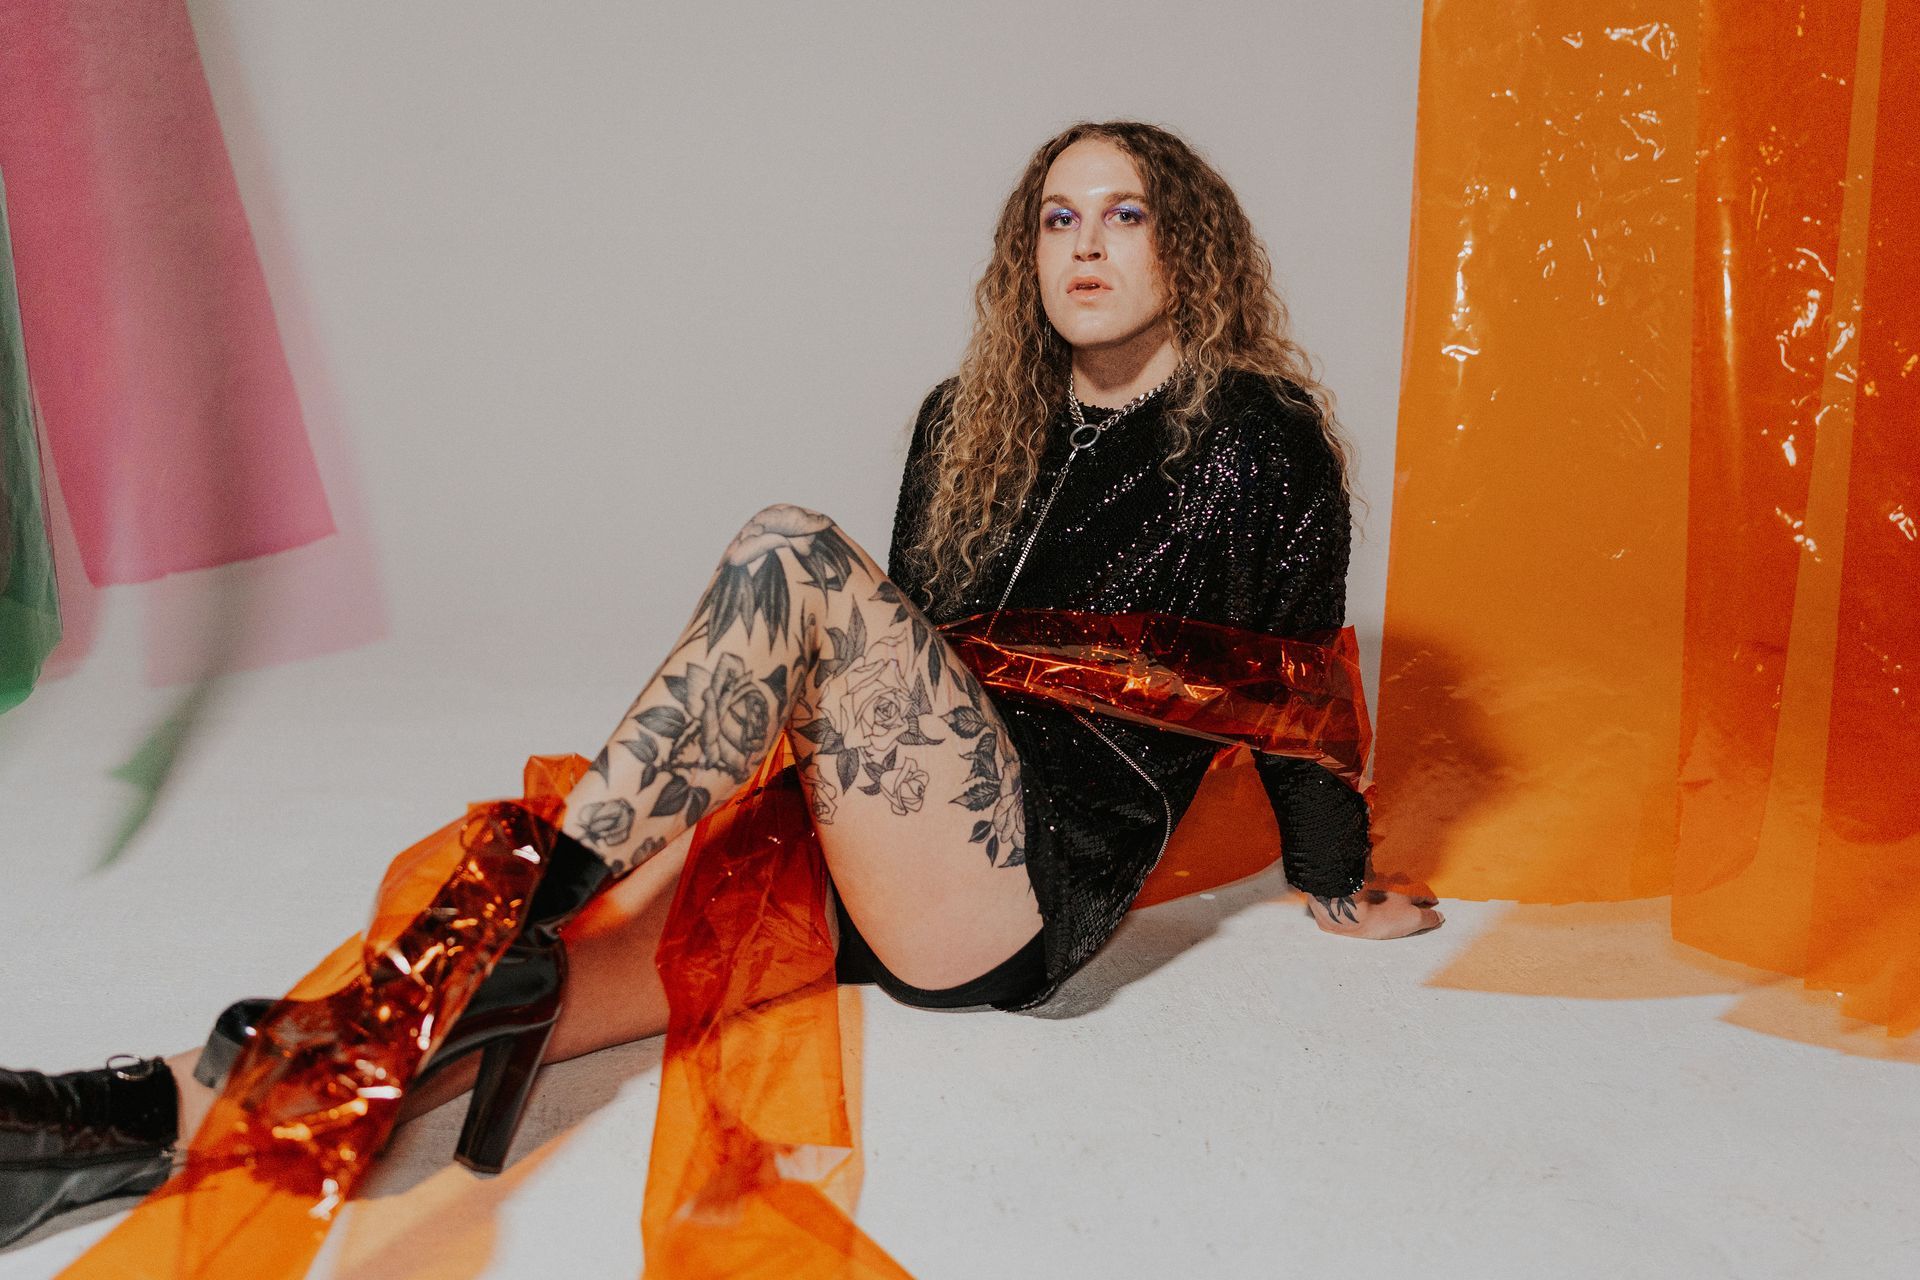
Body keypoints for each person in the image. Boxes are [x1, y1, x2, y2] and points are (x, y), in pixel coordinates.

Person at [0, 118, 1443, 1248]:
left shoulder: (1260, 439)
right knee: (484, 1006)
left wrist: (1333, 872)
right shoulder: (969, 416)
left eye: (1125, 214)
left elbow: (1296, 686)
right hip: (876, 850)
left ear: (1189, 243)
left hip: (1018, 891)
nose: (1086, 244)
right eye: (1057, 217)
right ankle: (107, 1121)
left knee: (792, 556)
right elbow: (900, 674)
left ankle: (525, 890)